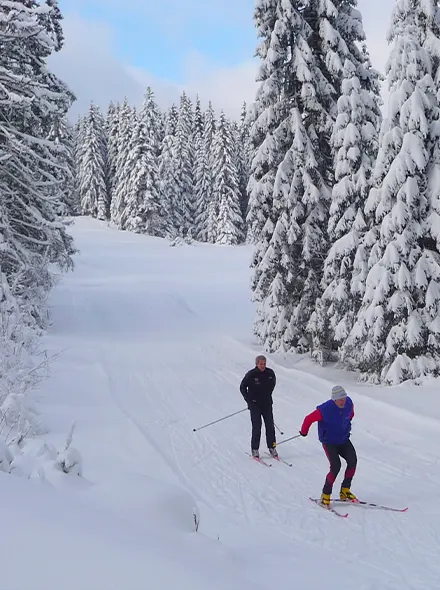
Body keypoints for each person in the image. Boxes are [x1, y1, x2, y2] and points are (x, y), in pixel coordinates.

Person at [299, 385, 357, 506]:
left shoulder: (348, 403)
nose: (343, 401)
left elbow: (351, 413)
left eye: (344, 398)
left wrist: (347, 424)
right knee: (336, 466)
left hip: (343, 439)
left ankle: (345, 490)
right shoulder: (325, 409)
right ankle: (325, 494)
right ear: (334, 399)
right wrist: (304, 432)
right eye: (340, 399)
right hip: (329, 441)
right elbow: (308, 419)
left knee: (352, 461)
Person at [240, 355, 277, 458]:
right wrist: (248, 400)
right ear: (257, 364)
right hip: (255, 405)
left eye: (264, 364)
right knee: (257, 427)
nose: (263, 366)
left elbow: (273, 384)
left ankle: (272, 447)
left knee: (270, 426)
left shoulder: (270, 373)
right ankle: (255, 449)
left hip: (267, 404)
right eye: (261, 364)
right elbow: (242, 387)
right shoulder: (251, 374)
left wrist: (267, 394)